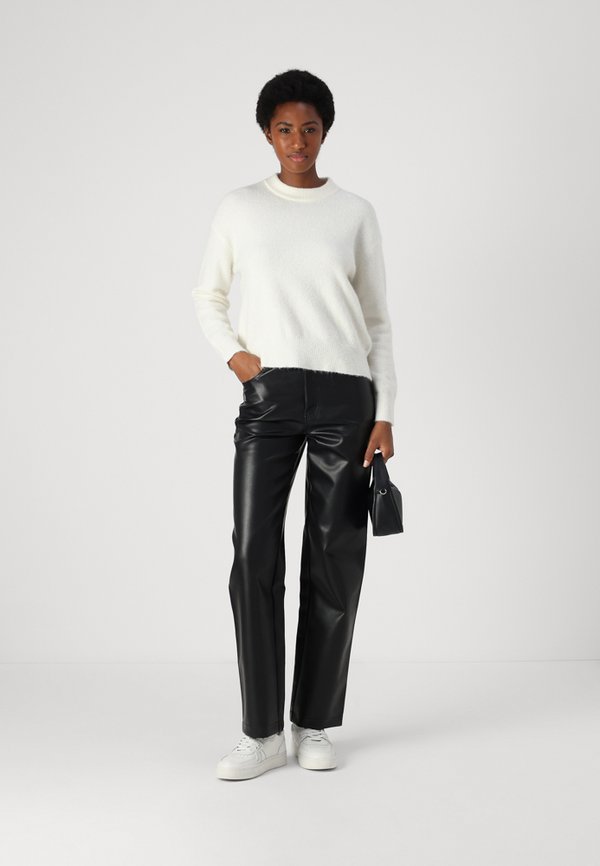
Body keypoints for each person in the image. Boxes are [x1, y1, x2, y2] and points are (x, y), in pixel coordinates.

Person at [191, 69, 397, 781]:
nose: (298, 141)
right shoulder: (240, 208)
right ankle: (260, 733)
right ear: (267, 134)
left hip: (346, 398)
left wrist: (386, 412)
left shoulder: (355, 212)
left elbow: (377, 320)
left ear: (325, 132)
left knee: (334, 559)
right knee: (254, 557)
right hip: (270, 395)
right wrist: (237, 357)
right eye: (285, 129)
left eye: (310, 128)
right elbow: (208, 294)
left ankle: (312, 723)